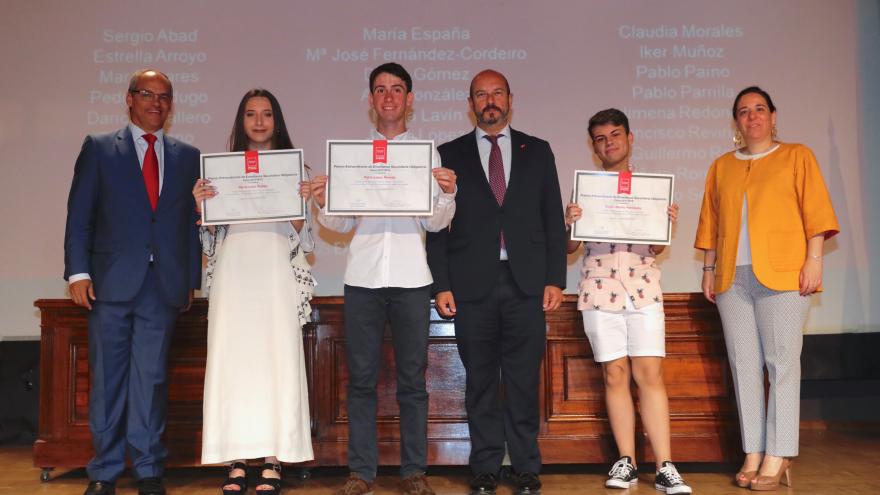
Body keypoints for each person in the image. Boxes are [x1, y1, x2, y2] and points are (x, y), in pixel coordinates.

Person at [310, 62, 457, 495]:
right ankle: (361, 473)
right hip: (363, 279)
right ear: (371, 100)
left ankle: (414, 472)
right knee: (360, 380)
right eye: (380, 90)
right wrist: (323, 201)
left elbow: (434, 224)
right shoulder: (353, 157)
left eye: (397, 90)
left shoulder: (427, 156)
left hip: (413, 279)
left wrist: (447, 194)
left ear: (410, 100)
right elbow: (338, 222)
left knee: (414, 381)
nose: (389, 97)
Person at [425, 69, 566, 495]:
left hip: (526, 284)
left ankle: (525, 466)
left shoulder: (538, 151)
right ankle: (484, 466)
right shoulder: (448, 154)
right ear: (470, 104)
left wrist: (555, 279)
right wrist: (441, 285)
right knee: (481, 380)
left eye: (497, 94)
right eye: (481, 95)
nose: (490, 101)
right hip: (471, 285)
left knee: (523, 379)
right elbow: (437, 228)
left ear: (510, 99)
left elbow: (552, 220)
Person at [64, 68, 201, 495]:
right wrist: (77, 271)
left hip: (162, 287)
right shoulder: (101, 148)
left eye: (164, 96)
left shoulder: (188, 155)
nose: (156, 103)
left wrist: (191, 278)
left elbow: (190, 224)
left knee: (151, 380)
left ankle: (147, 469)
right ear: (130, 99)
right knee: (106, 380)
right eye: (147, 94)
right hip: (108, 285)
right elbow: (80, 215)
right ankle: (104, 472)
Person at [695, 86, 839, 491]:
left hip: (783, 275)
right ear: (736, 122)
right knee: (744, 368)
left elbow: (816, 212)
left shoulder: (797, 156)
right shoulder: (721, 165)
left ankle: (779, 452)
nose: (752, 116)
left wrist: (814, 259)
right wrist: (708, 267)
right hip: (731, 278)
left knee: (782, 364)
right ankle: (754, 450)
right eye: (743, 111)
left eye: (760, 109)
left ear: (774, 117)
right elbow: (710, 221)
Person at [193, 89, 315, 495]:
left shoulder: (293, 170)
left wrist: (301, 204)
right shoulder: (219, 172)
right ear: (240, 121)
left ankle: (274, 459)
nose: (259, 121)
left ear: (276, 121)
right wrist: (202, 209)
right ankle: (236, 460)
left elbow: (305, 239)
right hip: (234, 273)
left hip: (275, 271)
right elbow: (211, 239)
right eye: (250, 114)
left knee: (276, 360)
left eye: (266, 114)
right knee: (234, 364)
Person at [564, 109, 691, 494]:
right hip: (600, 288)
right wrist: (570, 223)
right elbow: (570, 247)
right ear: (593, 145)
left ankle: (665, 465)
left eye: (615, 135)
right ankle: (626, 462)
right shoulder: (585, 190)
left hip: (643, 289)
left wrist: (665, 224)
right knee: (614, 374)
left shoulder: (651, 188)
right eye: (601, 138)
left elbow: (655, 245)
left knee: (649, 374)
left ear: (630, 138)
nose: (609, 143)